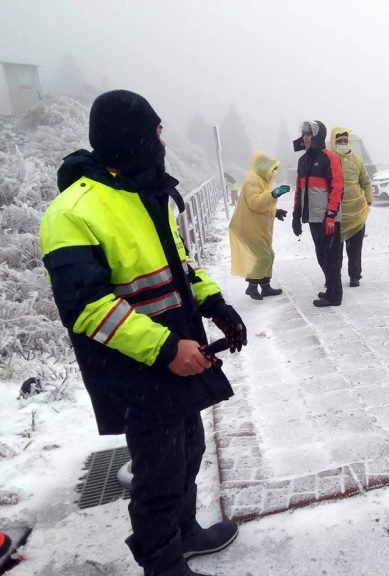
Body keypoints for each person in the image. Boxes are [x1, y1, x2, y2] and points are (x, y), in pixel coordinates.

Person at [39, 90, 247, 576]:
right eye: (156, 132)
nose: (162, 142)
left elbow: (180, 268)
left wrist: (217, 306)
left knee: (190, 448)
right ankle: (162, 563)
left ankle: (186, 532)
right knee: (158, 472)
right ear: (130, 136)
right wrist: (167, 349)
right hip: (134, 367)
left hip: (178, 351)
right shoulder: (72, 212)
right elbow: (87, 309)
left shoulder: (144, 194)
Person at [291, 120, 344, 307]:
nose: (306, 138)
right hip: (312, 217)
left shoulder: (329, 157)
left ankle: (335, 295)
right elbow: (299, 190)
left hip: (328, 218)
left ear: (317, 136)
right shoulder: (303, 160)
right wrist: (296, 216)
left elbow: (337, 187)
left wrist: (331, 214)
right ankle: (331, 288)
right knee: (321, 255)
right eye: (304, 134)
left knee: (332, 257)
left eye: (309, 134)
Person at [229, 151, 291, 300]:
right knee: (264, 257)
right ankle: (251, 287)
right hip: (248, 228)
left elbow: (263, 204)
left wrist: (276, 212)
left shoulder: (263, 180)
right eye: (272, 169)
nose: (274, 172)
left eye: (276, 169)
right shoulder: (253, 180)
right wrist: (273, 194)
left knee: (268, 255)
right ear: (264, 167)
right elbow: (255, 203)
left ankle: (265, 287)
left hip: (258, 228)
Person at [329, 127, 372, 288]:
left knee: (355, 248)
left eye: (345, 141)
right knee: (335, 251)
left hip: (357, 212)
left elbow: (365, 181)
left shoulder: (356, 159)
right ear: (333, 142)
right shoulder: (329, 159)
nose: (342, 144)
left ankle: (355, 275)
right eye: (339, 141)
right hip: (337, 213)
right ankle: (333, 277)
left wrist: (368, 199)